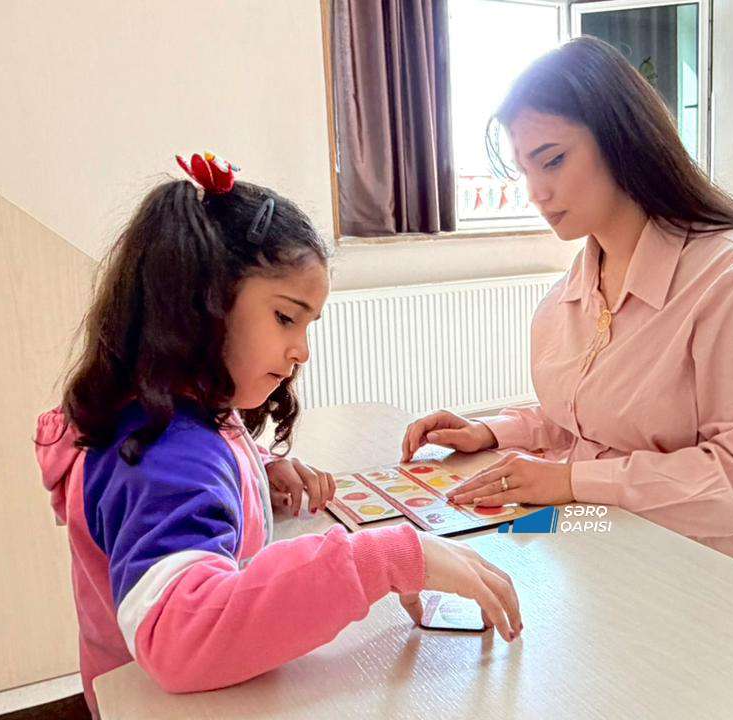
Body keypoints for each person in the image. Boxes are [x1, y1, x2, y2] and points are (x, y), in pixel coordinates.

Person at [35, 153, 521, 716]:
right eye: (286, 318)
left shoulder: (166, 413)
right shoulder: (165, 455)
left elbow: (199, 473)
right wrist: (381, 560)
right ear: (201, 306)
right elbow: (183, 637)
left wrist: (258, 468)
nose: (302, 352)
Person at [401, 37, 733, 589]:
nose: (537, 192)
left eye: (553, 160)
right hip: (612, 539)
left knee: (506, 583)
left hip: (724, 569)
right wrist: (490, 432)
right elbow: (591, 417)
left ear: (623, 140)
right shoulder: (574, 287)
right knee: (464, 559)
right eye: (525, 170)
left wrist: (572, 481)